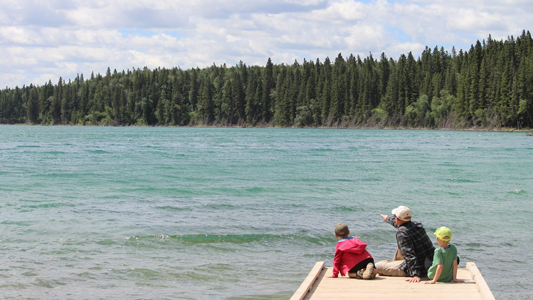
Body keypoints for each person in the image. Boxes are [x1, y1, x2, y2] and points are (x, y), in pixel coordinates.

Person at [375, 205, 435, 283]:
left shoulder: (402, 232)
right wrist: (387, 218)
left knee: (377, 266)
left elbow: (408, 253)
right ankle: (395, 264)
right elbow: (399, 223)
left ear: (397, 219)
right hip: (429, 264)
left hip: (417, 269)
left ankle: (394, 265)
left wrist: (416, 274)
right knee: (404, 246)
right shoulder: (417, 225)